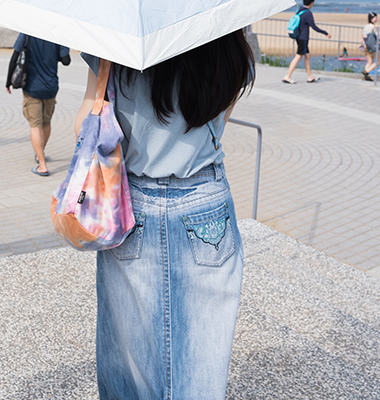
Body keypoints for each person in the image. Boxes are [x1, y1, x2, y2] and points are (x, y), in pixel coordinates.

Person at [76, 30, 254, 400]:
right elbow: (221, 117)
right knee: (203, 347)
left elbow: (84, 126)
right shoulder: (229, 35)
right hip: (205, 198)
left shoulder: (115, 36)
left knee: (128, 350)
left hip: (132, 200)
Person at [5, 34, 70, 177]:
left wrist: (8, 81)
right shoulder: (57, 34)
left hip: (31, 87)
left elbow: (15, 56)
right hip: (51, 86)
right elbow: (66, 61)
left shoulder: (27, 33)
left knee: (35, 125)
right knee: (46, 122)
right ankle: (39, 152)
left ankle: (42, 165)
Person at [282, 0, 331, 84]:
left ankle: (310, 76)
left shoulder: (299, 10)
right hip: (303, 38)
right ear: (311, 3)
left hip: (298, 36)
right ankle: (287, 76)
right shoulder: (308, 13)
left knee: (307, 56)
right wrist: (325, 33)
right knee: (299, 56)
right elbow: (314, 26)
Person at [362, 12, 379, 82]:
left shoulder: (366, 26)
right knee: (378, 60)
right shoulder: (373, 27)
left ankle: (366, 76)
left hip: (365, 45)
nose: (376, 19)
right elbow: (377, 35)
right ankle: (366, 72)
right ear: (371, 19)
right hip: (372, 45)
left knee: (369, 61)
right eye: (375, 17)